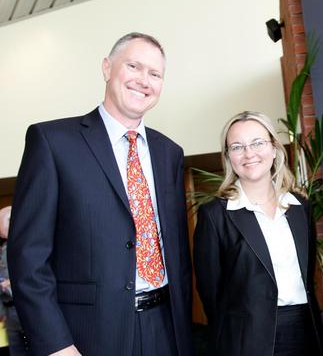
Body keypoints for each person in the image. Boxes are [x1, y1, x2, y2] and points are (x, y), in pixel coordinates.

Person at [8, 32, 193, 356]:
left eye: (155, 74)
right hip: (88, 337)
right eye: (133, 66)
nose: (143, 80)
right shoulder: (53, 143)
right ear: (107, 68)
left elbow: (176, 252)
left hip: (167, 329)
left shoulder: (170, 154)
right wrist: (56, 345)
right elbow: (28, 259)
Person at [193, 111, 323, 356]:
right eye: (237, 146)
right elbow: (212, 298)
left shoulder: (299, 207)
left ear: (274, 149)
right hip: (247, 341)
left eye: (257, 143)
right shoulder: (214, 216)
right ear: (228, 157)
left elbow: (308, 279)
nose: (249, 153)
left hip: (305, 333)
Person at [0, 206, 26, 355]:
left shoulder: (24, 248)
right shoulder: (4, 249)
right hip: (10, 312)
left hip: (23, 308)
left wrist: (10, 283)